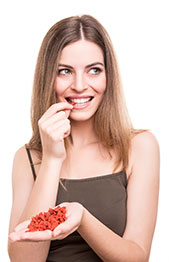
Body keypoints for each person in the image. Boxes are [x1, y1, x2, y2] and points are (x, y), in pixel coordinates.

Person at [8, 15, 160, 262]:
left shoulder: (140, 147)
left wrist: (83, 219)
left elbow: (138, 257)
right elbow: (24, 260)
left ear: (108, 76)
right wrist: (52, 160)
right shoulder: (27, 158)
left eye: (94, 70)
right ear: (48, 78)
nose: (80, 85)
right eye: (65, 71)